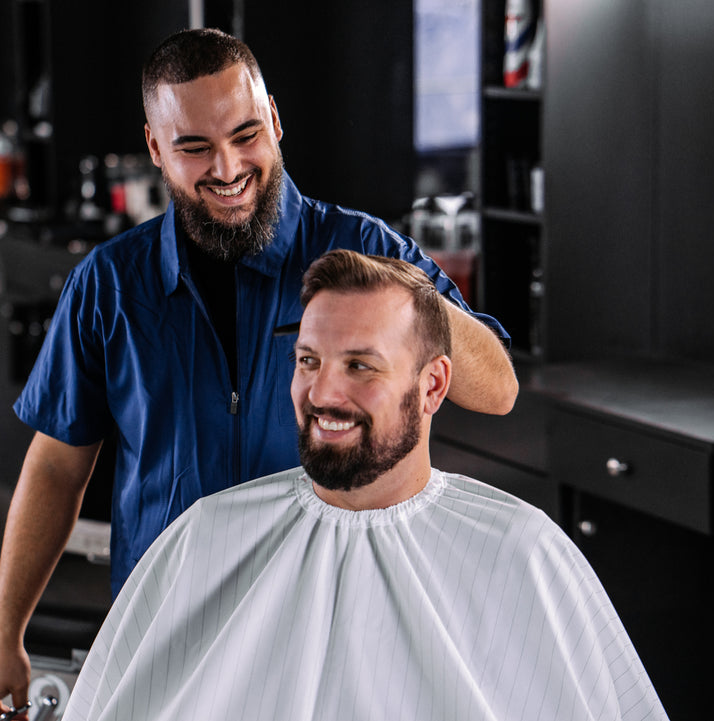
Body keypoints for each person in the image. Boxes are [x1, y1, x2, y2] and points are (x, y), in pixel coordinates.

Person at [0, 29, 518, 721]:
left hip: (330, 629)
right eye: (193, 146)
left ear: (276, 123)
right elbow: (55, 469)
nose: (227, 166)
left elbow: (496, 387)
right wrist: (4, 637)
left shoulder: (366, 252)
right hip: (167, 632)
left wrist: (399, 292)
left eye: (246, 133)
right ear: (154, 149)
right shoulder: (108, 285)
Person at [58, 250, 668, 721]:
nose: (323, 394)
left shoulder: (524, 552)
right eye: (308, 360)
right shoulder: (204, 535)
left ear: (433, 387)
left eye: (361, 366)